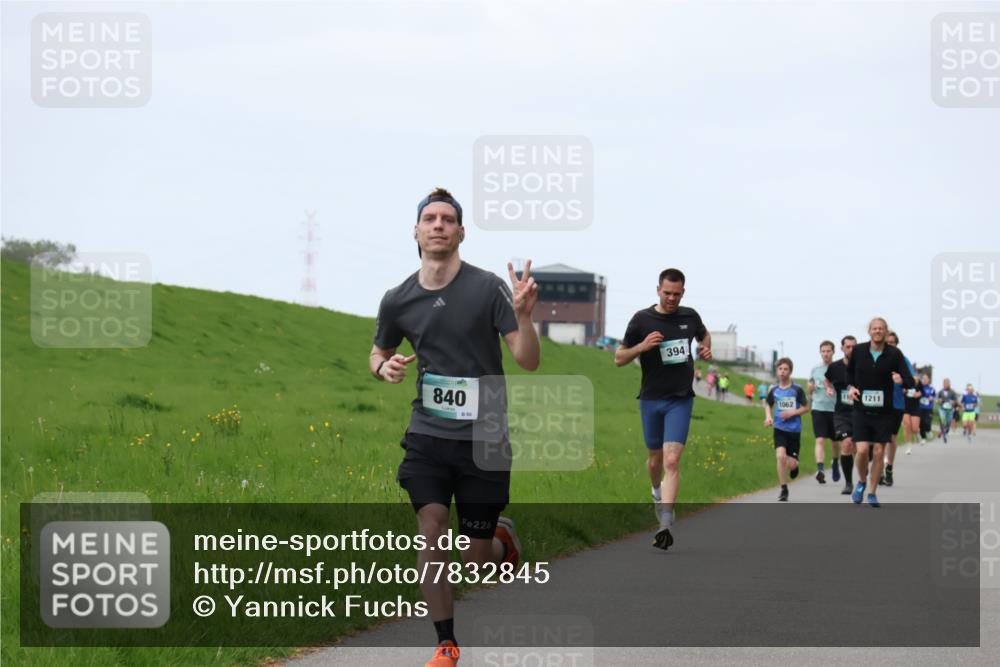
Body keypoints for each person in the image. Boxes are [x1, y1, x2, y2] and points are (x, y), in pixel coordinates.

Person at [370, 187, 541, 667]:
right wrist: (382, 368)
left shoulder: (487, 288)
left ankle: (499, 538)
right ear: (417, 231)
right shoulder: (397, 298)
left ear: (461, 231)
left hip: (484, 438)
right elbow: (378, 351)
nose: (439, 224)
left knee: (477, 561)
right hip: (427, 434)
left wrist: (525, 319)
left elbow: (526, 360)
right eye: (431, 218)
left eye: (448, 218)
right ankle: (446, 643)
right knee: (431, 529)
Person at [616, 267, 712, 550]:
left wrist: (705, 349)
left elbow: (704, 336)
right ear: (658, 290)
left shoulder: (690, 316)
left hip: (680, 399)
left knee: (672, 460)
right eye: (667, 293)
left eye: (677, 294)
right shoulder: (642, 319)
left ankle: (665, 524)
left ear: (683, 292)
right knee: (655, 460)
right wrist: (642, 346)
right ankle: (656, 492)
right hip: (651, 399)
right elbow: (619, 358)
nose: (672, 298)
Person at [846, 318, 914, 508]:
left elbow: (911, 380)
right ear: (869, 331)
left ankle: (872, 492)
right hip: (861, 409)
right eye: (874, 328)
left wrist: (902, 380)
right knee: (860, 451)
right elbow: (848, 374)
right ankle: (861, 481)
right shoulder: (858, 351)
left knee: (878, 452)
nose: (878, 331)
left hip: (885, 412)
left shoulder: (894, 354)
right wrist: (851, 387)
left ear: (886, 332)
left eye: (881, 329)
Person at [764, 358, 810, 502]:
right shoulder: (774, 390)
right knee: (780, 456)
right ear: (777, 371)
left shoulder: (797, 389)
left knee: (791, 464)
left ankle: (795, 466)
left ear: (790, 371)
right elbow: (768, 404)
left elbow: (806, 407)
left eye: (785, 369)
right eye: (780, 369)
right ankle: (784, 489)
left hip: (794, 430)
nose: (783, 372)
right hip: (779, 428)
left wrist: (792, 413)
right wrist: (768, 417)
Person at [825, 335, 858, 495]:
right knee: (846, 444)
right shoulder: (835, 367)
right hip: (842, 413)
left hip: (860, 413)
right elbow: (827, 380)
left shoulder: (862, 366)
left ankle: (863, 473)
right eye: (848, 346)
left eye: (853, 346)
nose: (850, 349)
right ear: (842, 348)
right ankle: (849, 483)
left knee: (860, 449)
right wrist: (829, 388)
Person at [882, 331, 915, 485]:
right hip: (878, 404)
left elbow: (913, 379)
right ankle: (879, 466)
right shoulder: (875, 358)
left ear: (896, 344)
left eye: (892, 343)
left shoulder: (902, 359)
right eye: (886, 342)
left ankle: (889, 468)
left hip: (896, 404)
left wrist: (902, 380)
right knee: (878, 438)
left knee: (891, 438)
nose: (889, 345)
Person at [808, 340, 839, 484]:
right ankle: (820, 469)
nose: (826, 354)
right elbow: (810, 386)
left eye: (828, 351)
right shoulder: (815, 369)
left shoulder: (838, 368)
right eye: (823, 351)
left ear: (833, 352)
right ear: (820, 352)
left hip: (835, 409)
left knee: (834, 442)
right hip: (818, 408)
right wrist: (811, 388)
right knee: (820, 439)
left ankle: (835, 463)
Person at [937, 378, 958, 444]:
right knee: (943, 421)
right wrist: (939, 400)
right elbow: (937, 399)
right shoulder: (941, 391)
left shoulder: (953, 392)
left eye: (946, 383)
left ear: (949, 384)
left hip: (950, 410)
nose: (945, 385)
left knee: (948, 423)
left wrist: (953, 402)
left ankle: (943, 432)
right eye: (944, 383)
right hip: (942, 409)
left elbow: (956, 401)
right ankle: (943, 435)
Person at [918, 373, 936, 442]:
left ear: (928, 380)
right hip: (920, 408)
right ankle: (923, 438)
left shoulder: (931, 389)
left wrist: (932, 398)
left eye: (926, 379)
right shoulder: (919, 387)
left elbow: (935, 396)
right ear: (921, 380)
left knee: (927, 422)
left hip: (929, 408)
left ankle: (928, 430)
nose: (925, 380)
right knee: (921, 423)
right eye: (923, 379)